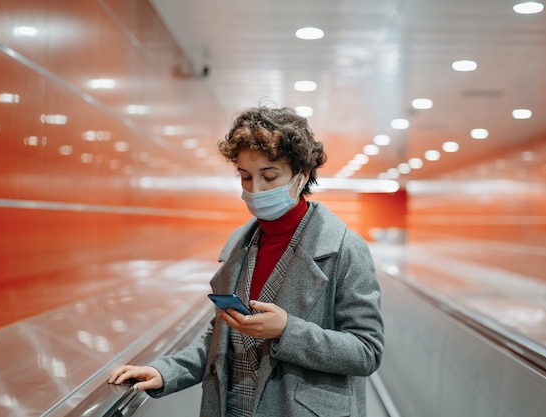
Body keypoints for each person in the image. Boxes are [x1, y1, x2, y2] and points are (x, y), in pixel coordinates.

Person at [108, 105, 384, 417]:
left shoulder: (345, 249)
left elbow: (366, 351)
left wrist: (286, 331)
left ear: (301, 175)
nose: (256, 189)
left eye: (269, 175)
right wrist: (167, 372)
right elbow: (221, 337)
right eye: (245, 177)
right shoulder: (241, 247)